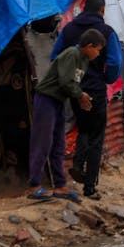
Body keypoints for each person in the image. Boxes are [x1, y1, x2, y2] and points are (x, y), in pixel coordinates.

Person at [51, 0, 122, 200]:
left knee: (83, 127)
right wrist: (106, 78)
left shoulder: (69, 29)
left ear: (83, 8)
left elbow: (55, 56)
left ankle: (76, 165)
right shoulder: (107, 32)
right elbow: (115, 62)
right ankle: (90, 186)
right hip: (96, 88)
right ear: (102, 10)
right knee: (96, 135)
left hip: (75, 87)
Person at [27, 29, 105, 204]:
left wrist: (80, 97)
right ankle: (34, 185)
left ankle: (60, 185)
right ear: (89, 46)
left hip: (58, 101)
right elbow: (66, 82)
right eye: (98, 49)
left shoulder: (84, 61)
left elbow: (72, 84)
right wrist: (81, 95)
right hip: (46, 99)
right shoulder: (72, 54)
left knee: (58, 144)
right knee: (43, 142)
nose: (98, 54)